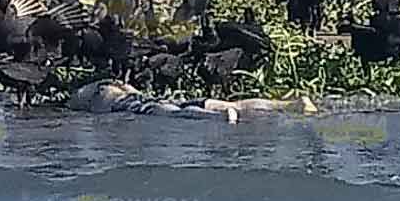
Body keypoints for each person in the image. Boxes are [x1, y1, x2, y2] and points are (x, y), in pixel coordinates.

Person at [67, 79, 317, 123]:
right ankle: (290, 105)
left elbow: (90, 107)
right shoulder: (121, 86)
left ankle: (218, 118)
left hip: (149, 107)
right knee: (236, 103)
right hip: (158, 98)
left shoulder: (102, 97)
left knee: (176, 114)